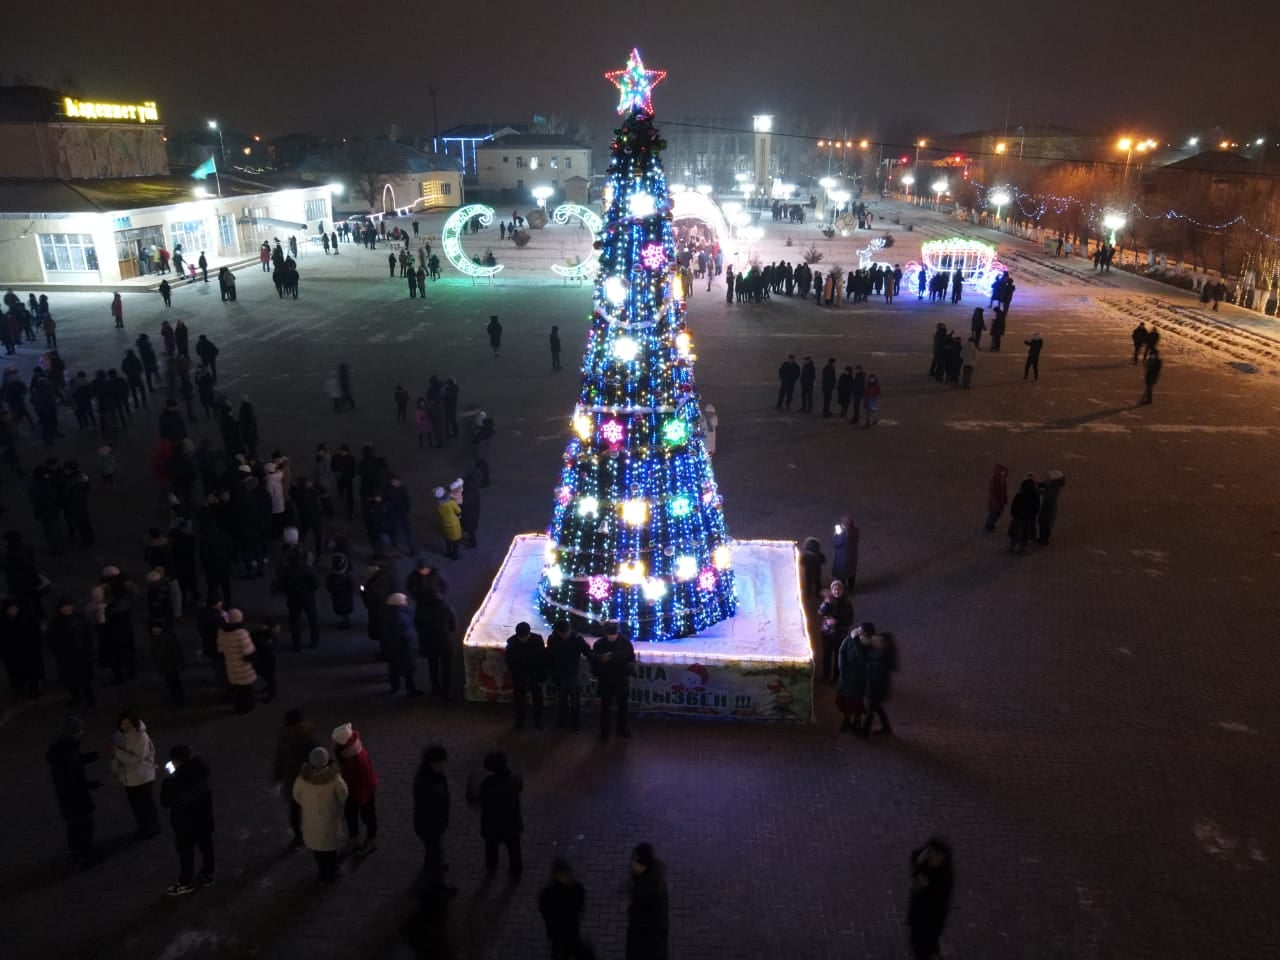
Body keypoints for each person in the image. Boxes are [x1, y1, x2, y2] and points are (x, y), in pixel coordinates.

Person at [47, 716, 102, 868]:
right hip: (76, 797)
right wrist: (92, 784)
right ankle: (85, 855)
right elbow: (75, 777)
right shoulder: (69, 750)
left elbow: (76, 762)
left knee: (74, 826)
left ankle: (76, 852)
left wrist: (93, 756)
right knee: (84, 825)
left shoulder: (61, 749)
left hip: (66, 797)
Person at [160, 744, 215, 895]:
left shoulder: (174, 781)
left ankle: (186, 882)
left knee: (185, 852)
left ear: (175, 761)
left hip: (184, 823)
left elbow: (165, 802)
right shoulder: (202, 773)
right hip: (205, 819)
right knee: (206, 847)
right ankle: (207, 874)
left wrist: (169, 779)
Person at [293, 746, 349, 883]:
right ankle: (332, 871)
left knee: (317, 849)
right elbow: (343, 794)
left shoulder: (303, 778)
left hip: (311, 821)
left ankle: (322, 871)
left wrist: (307, 805)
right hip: (329, 820)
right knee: (330, 849)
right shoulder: (334, 778)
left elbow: (296, 795)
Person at [468, 751, 524, 881]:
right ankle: (515, 871)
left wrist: (472, 781)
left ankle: (492, 867)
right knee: (514, 849)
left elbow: (476, 800)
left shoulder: (487, 786)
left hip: (492, 825)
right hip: (512, 823)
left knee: (491, 848)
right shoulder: (515, 779)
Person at [414, 744, 456, 897]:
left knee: (433, 848)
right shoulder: (427, 784)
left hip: (430, 824)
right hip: (430, 826)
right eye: (442, 762)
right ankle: (438, 883)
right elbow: (430, 809)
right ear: (433, 763)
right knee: (436, 850)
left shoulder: (429, 775)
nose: (444, 765)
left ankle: (430, 864)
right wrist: (440, 823)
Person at [110, 709, 160, 838]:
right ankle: (144, 827)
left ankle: (151, 827)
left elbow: (136, 760)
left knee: (145, 804)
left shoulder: (140, 737)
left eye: (128, 724)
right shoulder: (119, 735)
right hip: (130, 778)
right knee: (137, 805)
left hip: (141, 777)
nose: (124, 727)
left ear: (134, 723)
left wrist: (117, 753)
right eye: (123, 724)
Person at [272, 708, 318, 847]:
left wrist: (277, 775)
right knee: (301, 807)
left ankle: (300, 835)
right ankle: (303, 833)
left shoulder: (287, 738)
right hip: (303, 780)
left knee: (296, 808)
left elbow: (280, 758)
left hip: (297, 780)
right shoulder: (307, 737)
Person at [332, 722, 379, 856]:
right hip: (355, 791)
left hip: (362, 792)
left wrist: (363, 799)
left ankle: (370, 841)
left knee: (368, 816)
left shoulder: (354, 760)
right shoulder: (353, 751)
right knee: (351, 814)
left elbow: (361, 780)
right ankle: (355, 839)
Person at [908, 839, 954, 960]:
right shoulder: (926, 859)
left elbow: (939, 901)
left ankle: (930, 953)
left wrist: (926, 885)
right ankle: (933, 952)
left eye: (936, 856)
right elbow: (915, 857)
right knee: (919, 940)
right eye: (930, 853)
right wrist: (918, 861)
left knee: (922, 946)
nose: (932, 858)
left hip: (931, 917)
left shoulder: (945, 877)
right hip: (919, 910)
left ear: (943, 858)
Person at [591, 621, 635, 740]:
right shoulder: (600, 643)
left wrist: (628, 668)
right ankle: (605, 731)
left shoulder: (625, 642)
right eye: (610, 635)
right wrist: (600, 659)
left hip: (621, 679)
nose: (612, 637)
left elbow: (631, 659)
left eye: (613, 634)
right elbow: (593, 660)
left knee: (622, 706)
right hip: (607, 679)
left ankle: (622, 729)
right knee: (606, 706)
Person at [626, 843, 669, 960]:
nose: (631, 864)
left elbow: (643, 920)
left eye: (635, 861)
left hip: (646, 943)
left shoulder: (646, 890)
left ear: (643, 866)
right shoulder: (653, 878)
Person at [545, 618, 590, 730]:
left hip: (573, 674)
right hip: (559, 674)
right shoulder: (553, 639)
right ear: (558, 632)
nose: (566, 635)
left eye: (567, 632)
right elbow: (549, 656)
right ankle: (563, 719)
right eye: (564, 633)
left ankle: (575, 722)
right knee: (562, 699)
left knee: (575, 700)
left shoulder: (577, 639)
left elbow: (587, 652)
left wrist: (596, 656)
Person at [540, 859, 587, 960]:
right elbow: (544, 909)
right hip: (559, 930)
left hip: (569, 927)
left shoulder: (575, 887)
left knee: (568, 948)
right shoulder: (550, 892)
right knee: (561, 950)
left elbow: (544, 909)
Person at [416, 589, 457, 702]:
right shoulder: (445, 607)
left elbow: (417, 625)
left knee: (432, 665)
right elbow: (453, 623)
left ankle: (435, 687)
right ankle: (445, 694)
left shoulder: (420, 608)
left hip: (429, 641)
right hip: (444, 641)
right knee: (446, 667)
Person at [505, 621, 546, 730]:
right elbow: (510, 662)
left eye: (525, 637)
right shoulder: (511, 643)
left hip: (535, 675)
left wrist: (540, 676)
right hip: (519, 676)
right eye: (521, 637)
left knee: (537, 699)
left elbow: (542, 659)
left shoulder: (537, 640)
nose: (523, 639)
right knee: (519, 699)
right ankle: (520, 721)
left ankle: (538, 720)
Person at [858, 625, 896, 737]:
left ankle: (865, 731)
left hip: (878, 687)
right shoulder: (877, 652)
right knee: (877, 707)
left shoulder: (883, 656)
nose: (875, 641)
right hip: (876, 685)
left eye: (878, 640)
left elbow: (878, 672)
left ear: (884, 643)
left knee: (871, 708)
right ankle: (886, 728)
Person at [217, 609, 257, 712]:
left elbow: (220, 650)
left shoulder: (221, 631)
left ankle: (239, 707)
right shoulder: (241, 633)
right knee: (246, 690)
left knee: (238, 689)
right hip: (243, 668)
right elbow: (248, 653)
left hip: (231, 666)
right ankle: (247, 707)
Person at [383, 593, 421, 695]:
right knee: (407, 670)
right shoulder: (399, 616)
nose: (406, 602)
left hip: (394, 648)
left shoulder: (390, 614)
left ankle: (395, 687)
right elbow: (404, 631)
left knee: (395, 668)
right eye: (404, 601)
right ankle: (411, 690)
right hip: (403, 647)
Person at [817, 581, 854, 683]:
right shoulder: (828, 601)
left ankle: (836, 677)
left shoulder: (846, 603)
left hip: (839, 634)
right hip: (827, 633)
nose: (836, 591)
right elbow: (820, 612)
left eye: (838, 589)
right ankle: (825, 675)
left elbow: (849, 620)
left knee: (838, 655)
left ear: (842, 590)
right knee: (826, 655)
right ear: (831, 590)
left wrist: (837, 622)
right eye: (834, 589)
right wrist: (826, 603)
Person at [835, 623, 868, 732]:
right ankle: (847, 719)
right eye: (858, 630)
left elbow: (861, 659)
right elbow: (841, 652)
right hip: (846, 676)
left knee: (856, 700)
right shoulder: (849, 639)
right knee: (845, 700)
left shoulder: (865, 644)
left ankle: (857, 720)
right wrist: (842, 668)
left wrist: (856, 642)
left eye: (860, 632)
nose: (857, 633)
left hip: (858, 678)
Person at [1008, 474, 1040, 553]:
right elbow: (1036, 508)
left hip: (1017, 518)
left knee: (1014, 534)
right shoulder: (1034, 496)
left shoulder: (1019, 495)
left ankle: (1011, 547)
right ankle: (1022, 548)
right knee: (1024, 535)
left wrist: (1013, 514)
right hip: (1027, 519)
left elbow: (1013, 506)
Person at [1036, 470, 1067, 546]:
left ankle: (1044, 540)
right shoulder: (1054, 486)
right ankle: (1042, 538)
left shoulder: (1054, 490)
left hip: (1048, 509)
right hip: (1048, 507)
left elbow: (1046, 493)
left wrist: (1037, 490)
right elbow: (1045, 485)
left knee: (1045, 524)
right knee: (1043, 523)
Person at [831, 516, 859, 592]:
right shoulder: (855, 531)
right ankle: (851, 588)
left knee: (841, 575)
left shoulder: (843, 535)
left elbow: (835, 543)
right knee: (851, 573)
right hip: (852, 557)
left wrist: (836, 534)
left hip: (842, 558)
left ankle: (842, 589)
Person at [435, 486, 463, 559]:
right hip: (454, 524)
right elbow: (458, 511)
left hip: (444, 524)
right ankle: (455, 555)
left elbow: (439, 514)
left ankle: (449, 553)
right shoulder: (451, 503)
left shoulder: (437, 505)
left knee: (448, 541)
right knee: (455, 541)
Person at [984, 464, 1009, 533]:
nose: (1004, 474)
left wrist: (1004, 500)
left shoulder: (1003, 480)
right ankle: (989, 526)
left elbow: (1004, 491)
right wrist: (997, 503)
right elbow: (992, 493)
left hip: (999, 502)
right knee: (993, 515)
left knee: (997, 515)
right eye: (1002, 472)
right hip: (995, 503)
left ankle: (990, 525)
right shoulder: (994, 480)